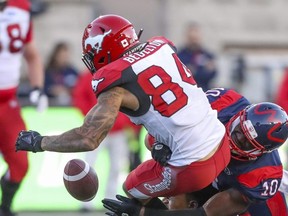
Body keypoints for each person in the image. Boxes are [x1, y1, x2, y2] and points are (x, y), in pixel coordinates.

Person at [15, 14, 231, 208]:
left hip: (194, 165)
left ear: (102, 51)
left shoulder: (115, 84)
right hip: (221, 143)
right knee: (151, 142)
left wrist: (39, 142)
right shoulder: (162, 47)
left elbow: (88, 138)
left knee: (131, 188)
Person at [102, 88, 288, 216]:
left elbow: (205, 213)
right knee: (138, 186)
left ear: (259, 152)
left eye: (244, 142)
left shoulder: (263, 174)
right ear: (241, 114)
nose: (234, 137)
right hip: (206, 169)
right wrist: (160, 143)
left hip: (243, 195)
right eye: (238, 128)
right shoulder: (225, 103)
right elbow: (153, 137)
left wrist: (144, 214)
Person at [0, 0, 47, 215]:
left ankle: (5, 207)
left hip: (7, 102)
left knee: (20, 163)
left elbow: (31, 54)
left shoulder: (20, 9)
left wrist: (38, 87)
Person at [72, 70, 139, 211]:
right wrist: (92, 117)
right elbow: (79, 97)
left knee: (116, 167)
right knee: (88, 165)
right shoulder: (90, 76)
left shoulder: (122, 73)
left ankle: (111, 200)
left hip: (117, 130)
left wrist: (129, 125)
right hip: (97, 129)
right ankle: (86, 203)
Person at [177, 22, 217, 92]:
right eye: (191, 38)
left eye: (195, 38)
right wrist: (203, 71)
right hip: (186, 93)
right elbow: (182, 76)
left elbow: (213, 74)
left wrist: (193, 71)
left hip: (204, 92)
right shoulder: (179, 56)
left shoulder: (207, 55)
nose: (194, 41)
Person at [44, 41, 78, 106]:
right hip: (51, 106)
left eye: (66, 56)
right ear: (56, 56)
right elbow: (43, 88)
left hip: (70, 107)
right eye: (62, 56)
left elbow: (80, 86)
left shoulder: (72, 71)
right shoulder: (48, 72)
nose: (65, 58)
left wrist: (69, 91)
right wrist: (52, 90)